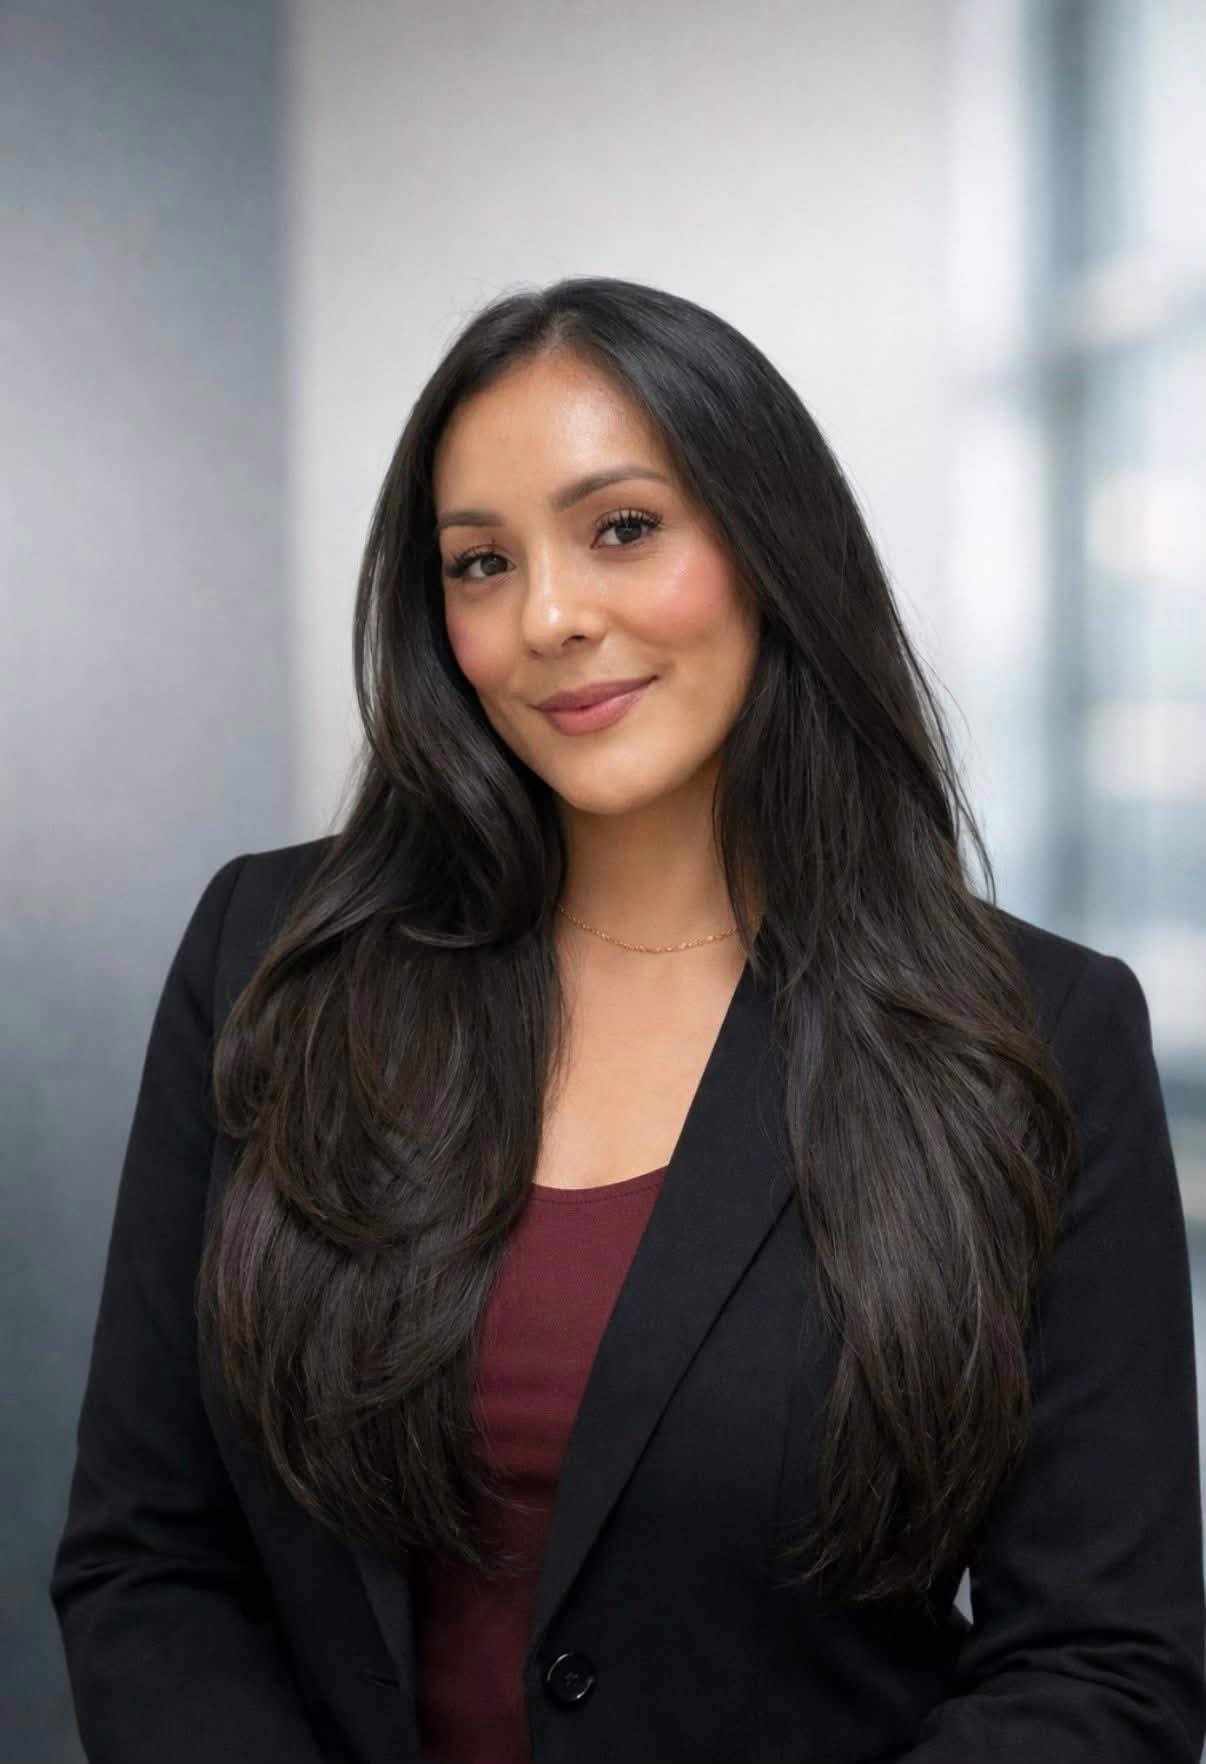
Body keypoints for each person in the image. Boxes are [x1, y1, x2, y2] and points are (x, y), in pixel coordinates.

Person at [50, 275, 1205, 1764]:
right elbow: (149, 1564)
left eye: (622, 529)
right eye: (477, 564)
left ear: (768, 546)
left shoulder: (1032, 1032)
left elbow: (1103, 1666)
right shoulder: (274, 962)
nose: (546, 617)